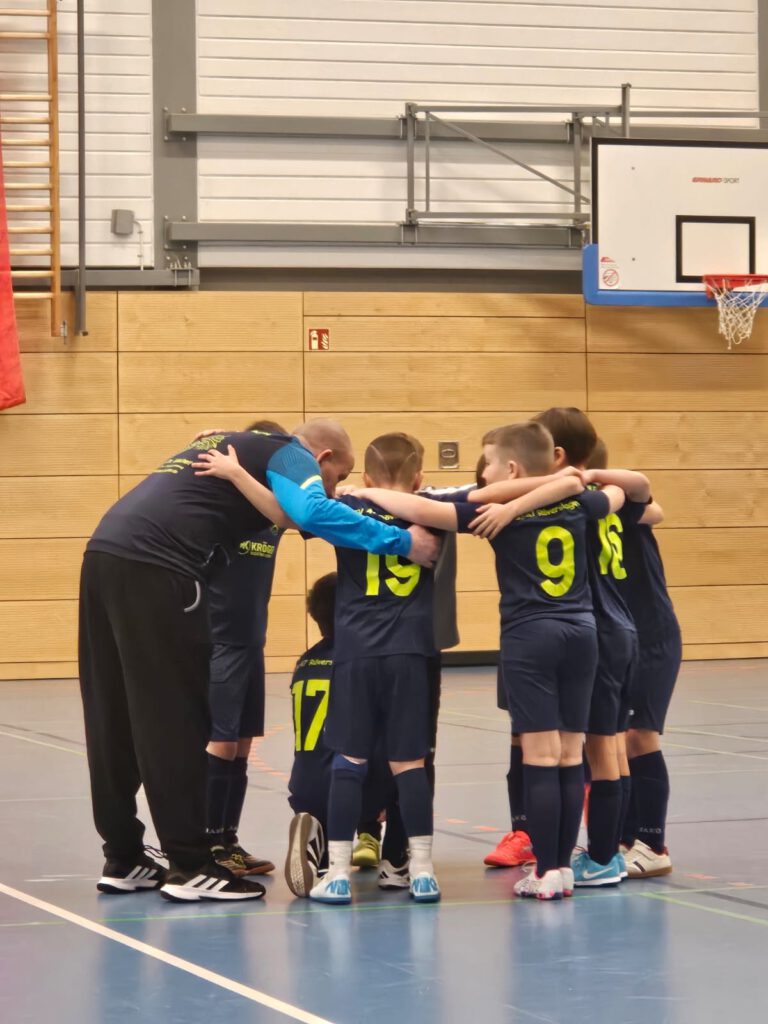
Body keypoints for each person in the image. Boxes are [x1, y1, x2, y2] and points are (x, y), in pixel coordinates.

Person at [81, 418, 439, 903]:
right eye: (337, 475)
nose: (333, 486)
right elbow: (309, 511)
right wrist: (403, 542)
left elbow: (287, 516)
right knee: (174, 719)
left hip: (104, 553)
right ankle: (191, 865)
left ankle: (123, 857)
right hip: (160, 567)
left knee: (112, 714)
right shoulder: (293, 455)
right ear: (323, 458)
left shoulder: (240, 446)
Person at [468, 422, 624, 900]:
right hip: (582, 632)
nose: (484, 474)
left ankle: (546, 870)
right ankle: (562, 870)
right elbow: (617, 490)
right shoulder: (579, 501)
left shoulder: (492, 511)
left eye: (488, 464)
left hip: (530, 635)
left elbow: (446, 503)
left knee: (537, 756)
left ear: (512, 469)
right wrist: (570, 481)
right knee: (570, 755)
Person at [533, 408, 648, 888]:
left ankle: (600, 856)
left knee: (600, 749)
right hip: (623, 626)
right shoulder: (609, 497)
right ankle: (614, 850)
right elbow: (642, 491)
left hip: (596, 626)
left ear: (557, 455)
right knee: (614, 747)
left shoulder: (570, 502)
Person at [588, 439, 680, 878]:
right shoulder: (582, 512)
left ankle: (654, 843)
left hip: (651, 633)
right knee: (617, 739)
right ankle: (624, 839)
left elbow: (646, 495)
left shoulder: (624, 504)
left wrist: (590, 475)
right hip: (618, 638)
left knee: (640, 735)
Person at [205, 419, 287, 879]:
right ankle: (206, 843)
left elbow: (309, 510)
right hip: (219, 639)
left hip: (251, 640)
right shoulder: (223, 508)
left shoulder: (273, 512)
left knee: (241, 743)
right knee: (219, 740)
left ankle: (228, 840)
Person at [284, 572, 395, 896]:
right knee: (408, 761)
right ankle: (393, 854)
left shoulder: (305, 661)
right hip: (349, 790)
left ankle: (318, 839)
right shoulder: (358, 660)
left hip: (303, 787)